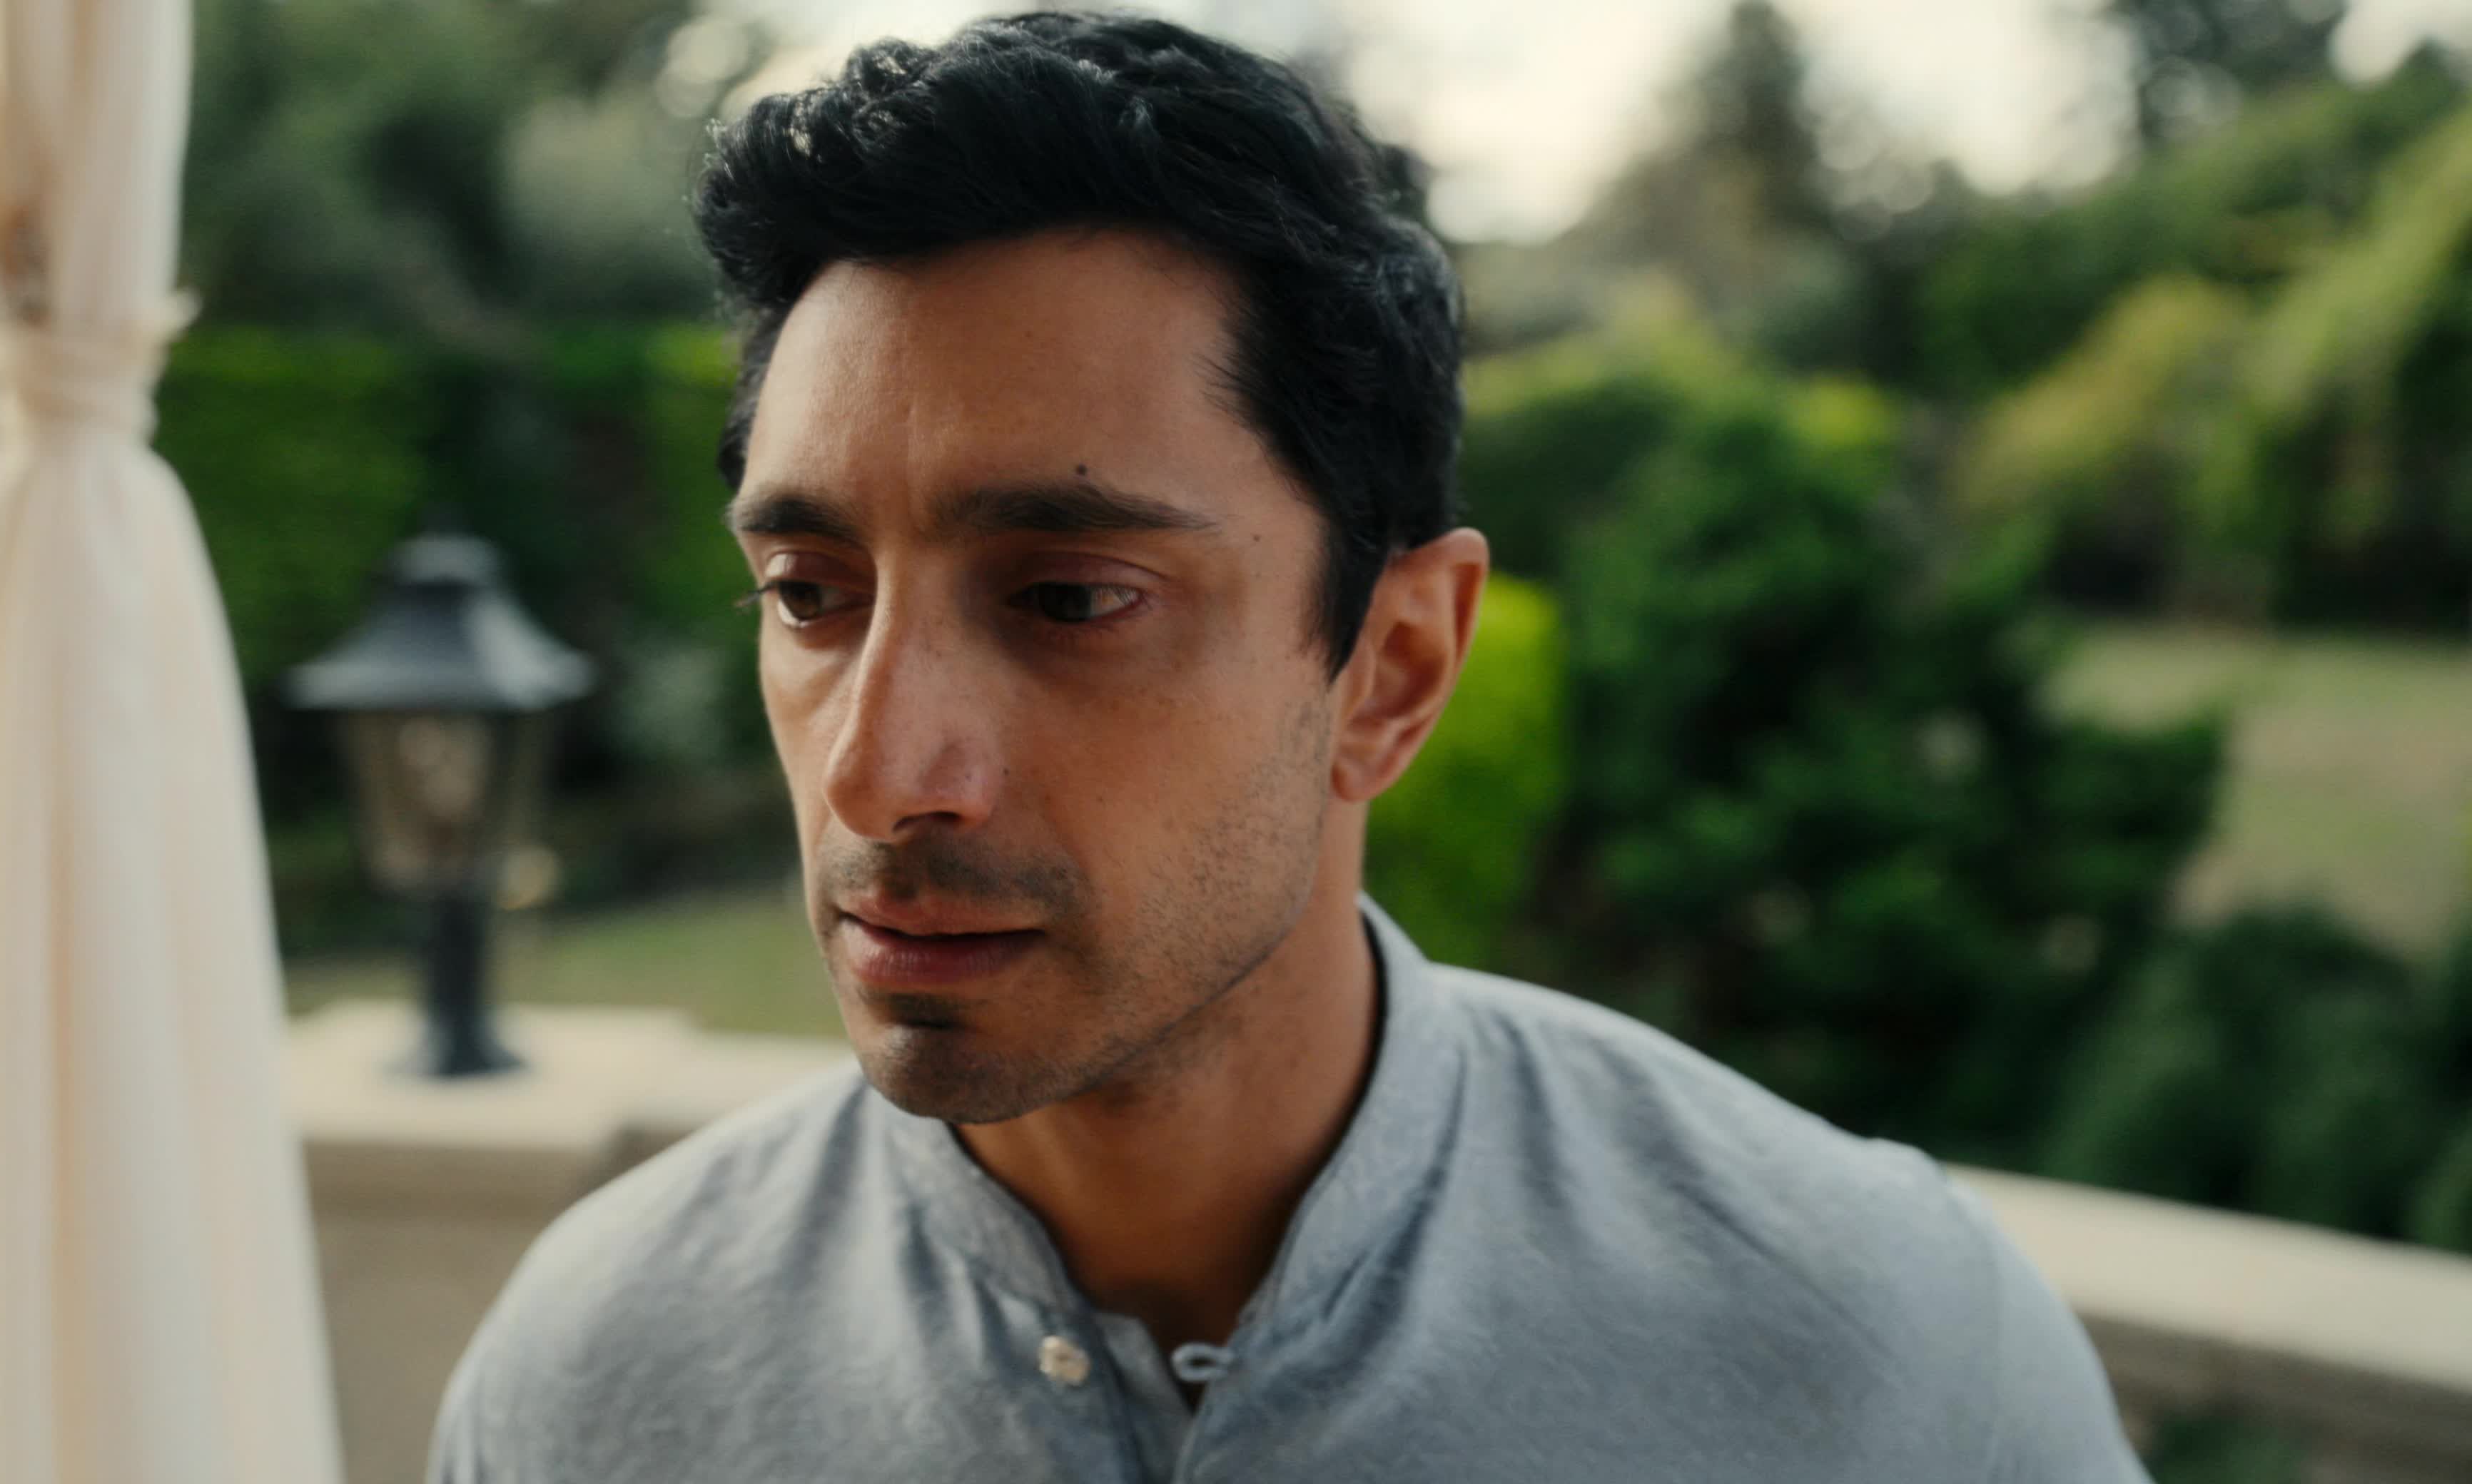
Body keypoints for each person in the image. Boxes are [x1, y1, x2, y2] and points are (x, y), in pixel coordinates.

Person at [430, 12, 2150, 1481]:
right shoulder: (598, 1378)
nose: (878, 771)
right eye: (811, 593)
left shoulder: (1873, 1352)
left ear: (1394, 667)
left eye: (1070, 598)